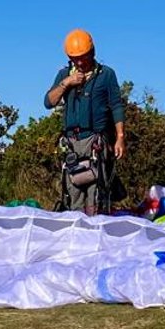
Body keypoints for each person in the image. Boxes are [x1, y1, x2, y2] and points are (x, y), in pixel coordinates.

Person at [44, 29, 124, 214]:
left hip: (95, 140)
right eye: (75, 58)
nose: (80, 62)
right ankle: (76, 230)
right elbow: (49, 102)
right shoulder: (64, 74)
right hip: (72, 142)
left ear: (92, 52)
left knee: (96, 192)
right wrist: (67, 82)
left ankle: (96, 227)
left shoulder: (106, 74)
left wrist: (120, 137)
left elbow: (116, 106)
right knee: (73, 190)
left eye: (83, 57)